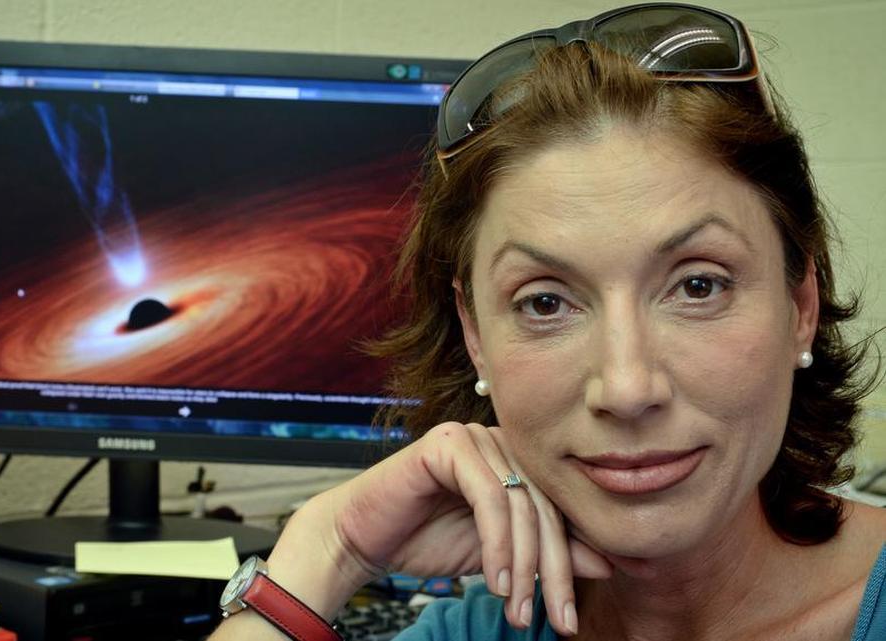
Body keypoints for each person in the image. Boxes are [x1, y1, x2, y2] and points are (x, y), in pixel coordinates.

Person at [210, 4, 886, 640]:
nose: (625, 387)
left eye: (698, 285)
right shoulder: (473, 630)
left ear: (802, 307)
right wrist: (332, 545)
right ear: (475, 335)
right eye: (545, 302)